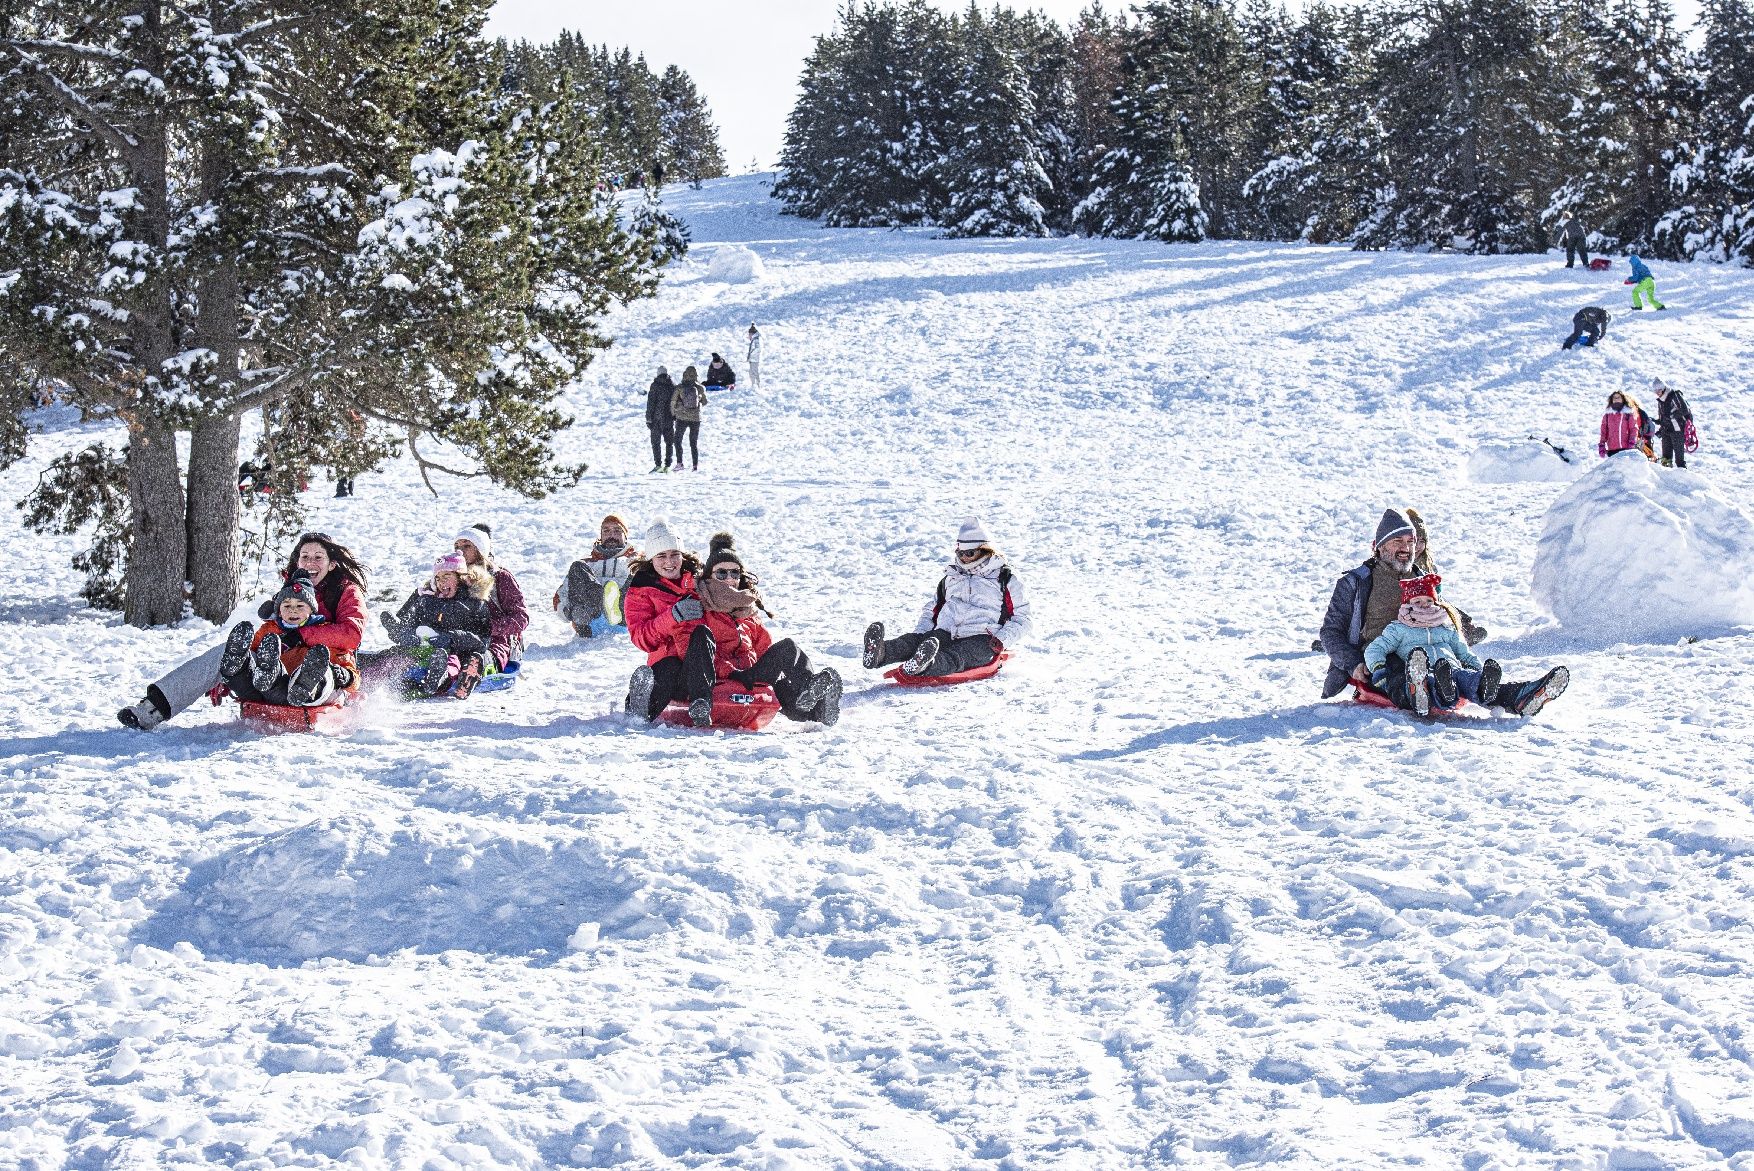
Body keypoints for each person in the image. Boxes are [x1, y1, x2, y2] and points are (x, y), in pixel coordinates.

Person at [118, 532, 369, 729]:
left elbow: (352, 634)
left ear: (332, 564)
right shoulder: (290, 592)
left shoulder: (345, 591)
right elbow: (266, 637)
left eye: (318, 557)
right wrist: (228, 672)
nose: (310, 563)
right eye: (305, 556)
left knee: (317, 670)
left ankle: (305, 682)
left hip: (320, 679)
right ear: (297, 561)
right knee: (225, 652)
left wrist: (302, 635)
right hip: (273, 676)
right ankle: (152, 709)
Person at [685, 532, 842, 726]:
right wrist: (729, 670)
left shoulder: (747, 609)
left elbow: (763, 648)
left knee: (788, 648)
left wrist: (776, 674)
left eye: (735, 573)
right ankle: (812, 703)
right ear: (709, 574)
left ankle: (811, 694)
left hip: (749, 673)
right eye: (721, 573)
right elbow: (691, 651)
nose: (729, 578)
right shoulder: (698, 606)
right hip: (721, 676)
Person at [862, 517, 1031, 679]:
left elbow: (1023, 619)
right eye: (960, 552)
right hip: (948, 632)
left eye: (970, 553)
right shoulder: (951, 577)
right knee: (915, 642)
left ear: (985, 550)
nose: (964, 557)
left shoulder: (1005, 578)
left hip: (982, 638)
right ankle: (880, 653)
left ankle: (925, 665)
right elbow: (932, 611)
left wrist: (1002, 639)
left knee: (957, 656)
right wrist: (922, 635)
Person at [216, 571, 360, 708]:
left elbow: (348, 668)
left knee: (320, 676)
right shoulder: (270, 629)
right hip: (259, 688)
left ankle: (305, 682)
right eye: (286, 606)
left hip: (291, 693)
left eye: (300, 605)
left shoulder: (323, 632)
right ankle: (234, 672)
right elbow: (253, 651)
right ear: (279, 610)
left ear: (311, 610)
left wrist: (344, 675)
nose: (293, 610)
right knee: (250, 667)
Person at [368, 551, 494, 697]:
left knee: (449, 661)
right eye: (438, 578)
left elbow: (483, 640)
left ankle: (440, 679)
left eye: (447, 577)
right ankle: (366, 675)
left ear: (460, 578)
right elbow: (411, 621)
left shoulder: (474, 604)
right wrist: (405, 633)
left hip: (454, 652)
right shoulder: (427, 600)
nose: (441, 583)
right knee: (395, 656)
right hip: (422, 648)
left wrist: (452, 638)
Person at [623, 519, 707, 721]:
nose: (669, 562)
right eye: (661, 556)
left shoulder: (701, 582)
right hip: (671, 666)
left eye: (674, 554)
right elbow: (642, 638)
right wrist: (672, 616)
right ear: (651, 558)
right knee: (669, 667)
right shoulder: (641, 591)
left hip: (704, 664)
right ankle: (640, 707)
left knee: (703, 639)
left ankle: (705, 700)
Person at [452, 524, 528, 669]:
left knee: (488, 652)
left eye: (467, 546)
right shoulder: (453, 577)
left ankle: (479, 667)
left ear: (480, 550)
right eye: (456, 547)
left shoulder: (500, 577)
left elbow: (521, 618)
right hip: (462, 637)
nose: (460, 551)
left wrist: (488, 627)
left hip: (497, 639)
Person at [555, 513, 640, 637]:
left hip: (625, 619)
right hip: (589, 622)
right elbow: (560, 596)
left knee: (641, 571)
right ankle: (592, 609)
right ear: (601, 536)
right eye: (606, 531)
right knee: (577, 566)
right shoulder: (587, 565)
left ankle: (614, 610)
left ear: (625, 536)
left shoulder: (635, 561)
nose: (611, 535)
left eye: (617, 531)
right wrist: (568, 611)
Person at [670, 366, 707, 472]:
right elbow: (704, 402)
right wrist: (698, 399)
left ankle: (680, 463)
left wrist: (673, 414)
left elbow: (673, 402)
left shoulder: (679, 387)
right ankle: (695, 465)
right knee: (693, 442)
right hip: (696, 419)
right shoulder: (700, 388)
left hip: (681, 418)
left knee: (678, 440)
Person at [1652, 378, 1693, 468]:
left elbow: (1685, 410)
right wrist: (1658, 421)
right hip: (1666, 431)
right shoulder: (1660, 400)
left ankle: (1682, 475)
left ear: (1663, 388)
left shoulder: (1674, 395)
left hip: (1677, 430)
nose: (1657, 392)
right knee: (1666, 457)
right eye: (1655, 391)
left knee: (1679, 459)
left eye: (1659, 390)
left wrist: (1671, 415)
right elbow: (1663, 416)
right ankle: (1667, 477)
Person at [1598, 390, 1652, 459]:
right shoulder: (1607, 415)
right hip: (1612, 449)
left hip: (1626, 448)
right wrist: (1602, 444)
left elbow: (1633, 429)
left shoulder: (1628, 413)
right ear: (1611, 400)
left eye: (1618, 397)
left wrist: (1632, 442)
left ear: (1623, 399)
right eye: (1614, 398)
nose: (1616, 399)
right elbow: (1604, 431)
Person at [646, 366, 677, 473]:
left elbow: (651, 403)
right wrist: (674, 416)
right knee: (669, 442)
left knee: (656, 442)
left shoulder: (655, 385)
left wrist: (648, 418)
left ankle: (658, 465)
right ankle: (667, 466)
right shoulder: (672, 386)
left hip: (656, 419)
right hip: (669, 419)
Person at [746, 324, 761, 388]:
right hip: (752, 359)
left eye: (749, 334)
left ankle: (757, 385)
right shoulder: (753, 340)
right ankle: (754, 384)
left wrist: (751, 355)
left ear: (752, 334)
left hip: (754, 359)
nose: (748, 336)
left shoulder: (756, 340)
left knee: (754, 372)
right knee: (751, 372)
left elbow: (757, 349)